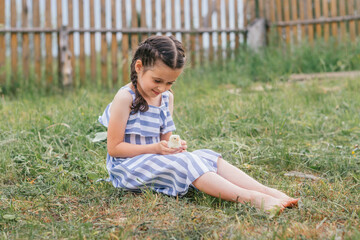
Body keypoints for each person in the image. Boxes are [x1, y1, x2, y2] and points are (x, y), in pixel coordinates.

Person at [98, 35, 299, 212]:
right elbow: (115, 149)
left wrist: (173, 147)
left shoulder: (166, 97)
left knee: (205, 155)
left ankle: (265, 190)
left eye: (169, 83)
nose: (162, 88)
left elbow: (166, 141)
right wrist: (156, 148)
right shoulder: (125, 98)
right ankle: (251, 198)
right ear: (139, 67)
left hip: (154, 159)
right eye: (157, 80)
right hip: (128, 168)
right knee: (186, 162)